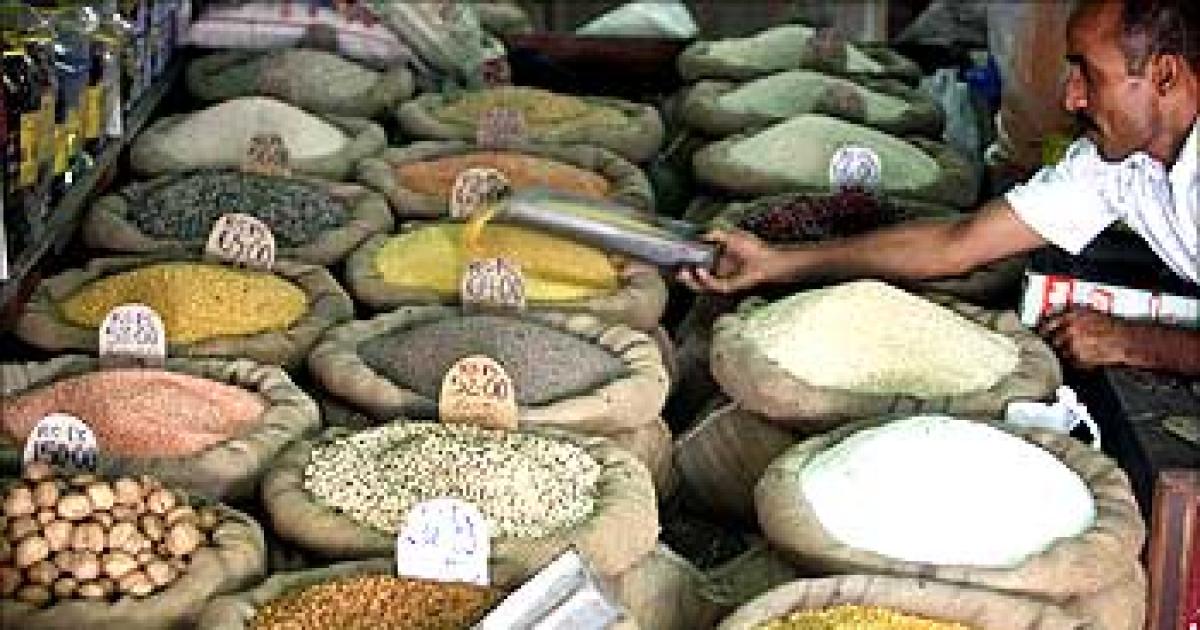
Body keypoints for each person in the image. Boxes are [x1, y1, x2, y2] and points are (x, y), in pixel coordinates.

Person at [680, 0, 1199, 376]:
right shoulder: (1114, 165)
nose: (1071, 98)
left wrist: (1131, 341)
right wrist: (778, 261)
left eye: (1090, 74)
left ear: (1165, 76)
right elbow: (957, 243)